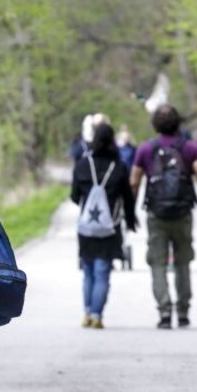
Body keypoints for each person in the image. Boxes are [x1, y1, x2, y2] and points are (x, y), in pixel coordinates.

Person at [129, 105, 197, 329]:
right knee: (183, 262)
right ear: (178, 123)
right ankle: (183, 311)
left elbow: (134, 182)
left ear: (155, 125)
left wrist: (129, 211)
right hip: (182, 213)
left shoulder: (146, 149)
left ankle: (164, 311)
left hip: (156, 214)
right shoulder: (189, 148)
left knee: (157, 262)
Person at [71, 123, 138, 328]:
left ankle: (87, 313)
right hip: (110, 227)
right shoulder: (118, 166)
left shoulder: (82, 165)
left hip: (87, 226)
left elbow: (74, 196)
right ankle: (97, 315)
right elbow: (127, 198)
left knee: (89, 271)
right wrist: (130, 219)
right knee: (103, 271)